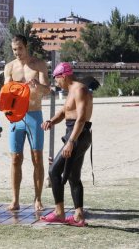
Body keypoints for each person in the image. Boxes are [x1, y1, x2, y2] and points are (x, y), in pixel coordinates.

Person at [40, 62, 93, 227]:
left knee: (54, 171)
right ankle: (78, 216)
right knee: (73, 176)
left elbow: (81, 119)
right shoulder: (71, 90)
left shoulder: (80, 90)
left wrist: (70, 142)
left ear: (63, 76)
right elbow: (64, 112)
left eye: (56, 79)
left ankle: (59, 212)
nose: (56, 83)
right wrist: (51, 121)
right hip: (75, 135)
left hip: (78, 135)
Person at [3, 34, 50, 211]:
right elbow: (5, 92)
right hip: (16, 117)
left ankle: (38, 199)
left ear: (26, 46)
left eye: (20, 48)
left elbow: (48, 90)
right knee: (15, 158)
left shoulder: (38, 65)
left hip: (34, 114)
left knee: (37, 158)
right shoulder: (9, 67)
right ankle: (15, 200)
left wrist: (38, 85)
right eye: (14, 49)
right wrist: (9, 88)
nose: (17, 52)